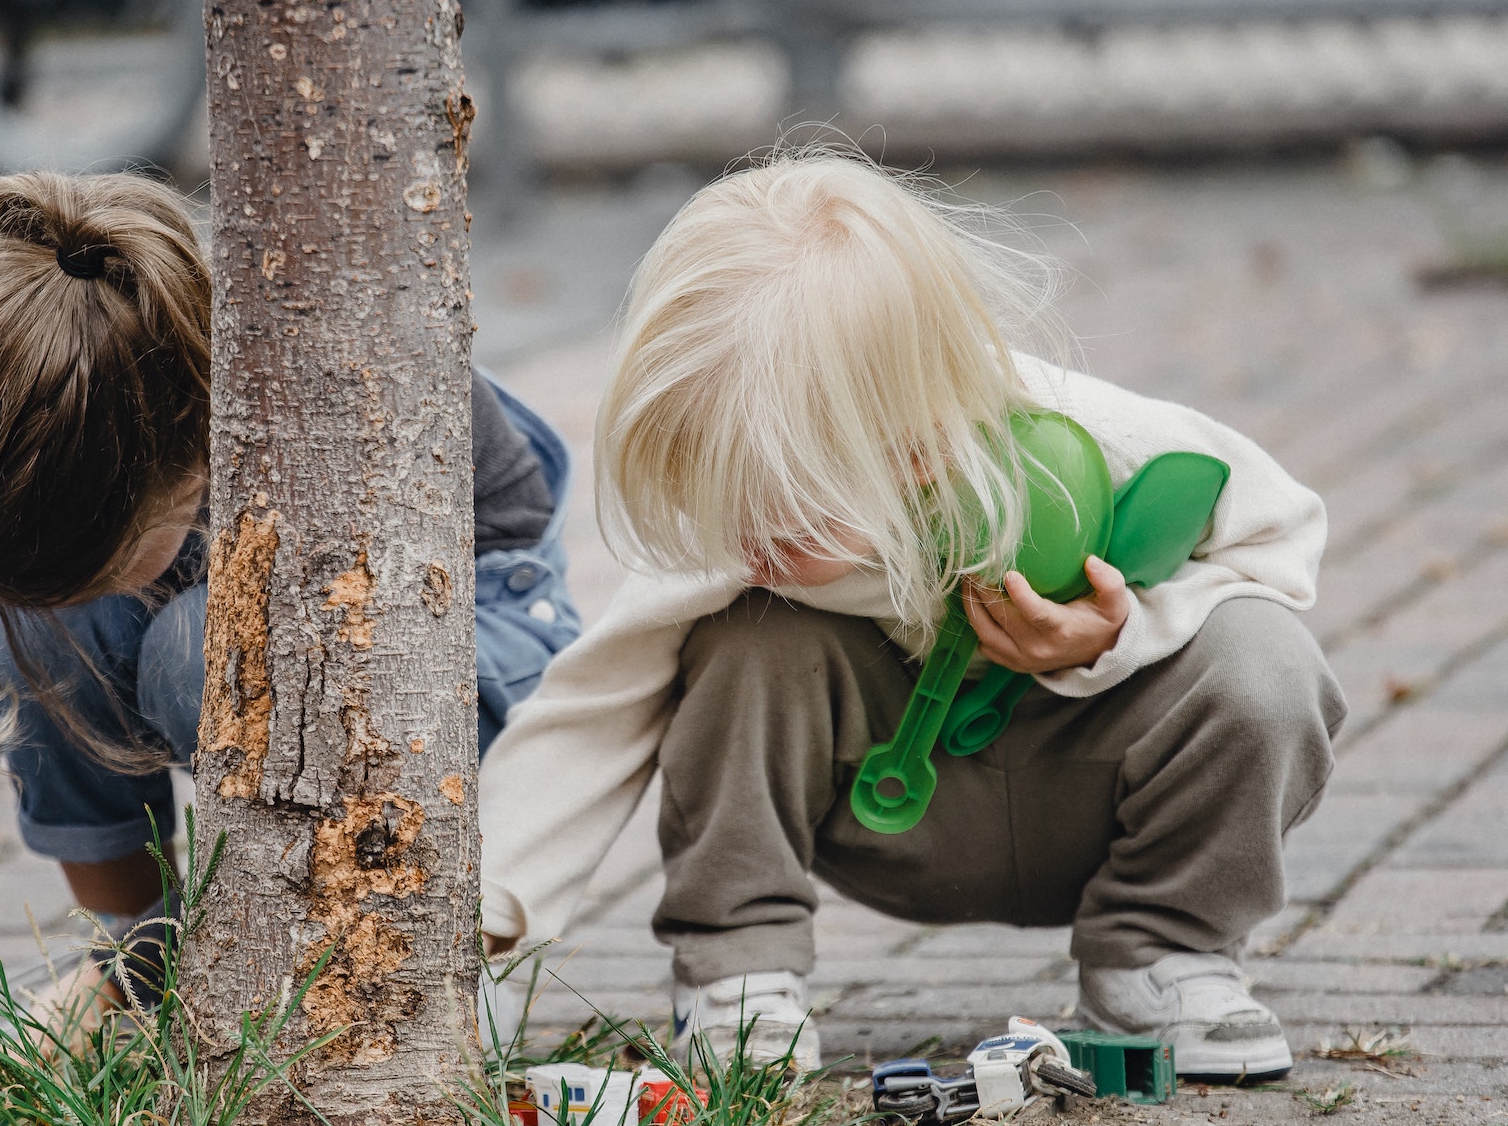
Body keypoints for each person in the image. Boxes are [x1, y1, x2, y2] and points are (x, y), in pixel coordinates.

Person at [476, 151, 1344, 1079]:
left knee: (1267, 663)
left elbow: (1281, 545)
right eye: (721, 495)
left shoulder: (1104, 442)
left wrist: (1124, 635)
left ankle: (1161, 958)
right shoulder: (749, 537)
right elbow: (594, 710)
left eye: (786, 508)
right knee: (744, 641)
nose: (744, 535)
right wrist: (483, 914)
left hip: (1090, 794)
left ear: (919, 451)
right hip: (889, 818)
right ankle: (740, 978)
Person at [0, 171, 580, 1054]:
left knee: (198, 644)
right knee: (16, 621)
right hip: (246, 624)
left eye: (104, 566)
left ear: (189, 472)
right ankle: (139, 949)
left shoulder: (314, 388)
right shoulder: (21, 447)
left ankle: (393, 952)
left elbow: (455, 635)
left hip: (466, 640)